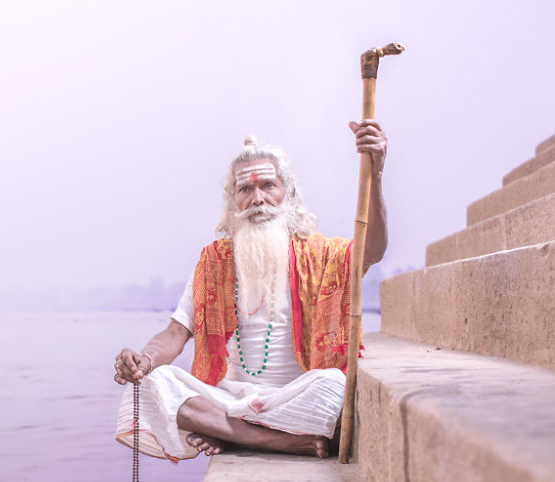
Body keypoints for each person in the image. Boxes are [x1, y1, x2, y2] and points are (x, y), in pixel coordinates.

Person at [114, 120, 388, 460]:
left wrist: (374, 173)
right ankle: (275, 440)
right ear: (234, 201)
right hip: (230, 397)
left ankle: (233, 435)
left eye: (268, 186)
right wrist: (145, 360)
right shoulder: (214, 261)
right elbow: (174, 334)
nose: (257, 199)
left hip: (294, 396)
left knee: (333, 385)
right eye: (245, 190)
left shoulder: (322, 255)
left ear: (288, 193)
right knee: (154, 383)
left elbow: (372, 250)